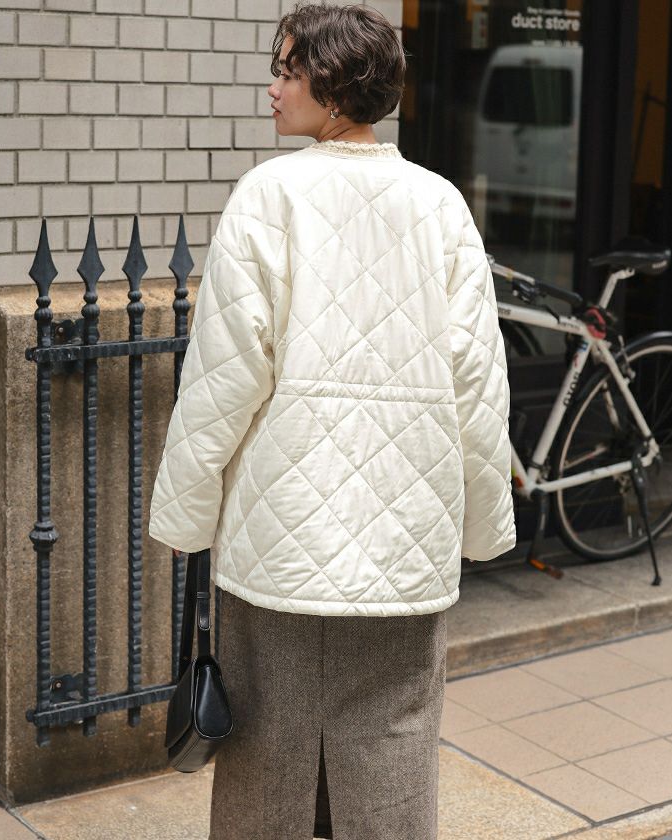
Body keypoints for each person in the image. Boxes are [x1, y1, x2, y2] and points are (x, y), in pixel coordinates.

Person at [149, 2, 516, 838]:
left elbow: (224, 377)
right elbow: (476, 378)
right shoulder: (441, 205)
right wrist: (483, 522)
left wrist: (185, 515)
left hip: (281, 532)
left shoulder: (270, 194)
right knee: (394, 739)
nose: (271, 88)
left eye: (286, 70)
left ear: (335, 81)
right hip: (405, 536)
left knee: (266, 749)